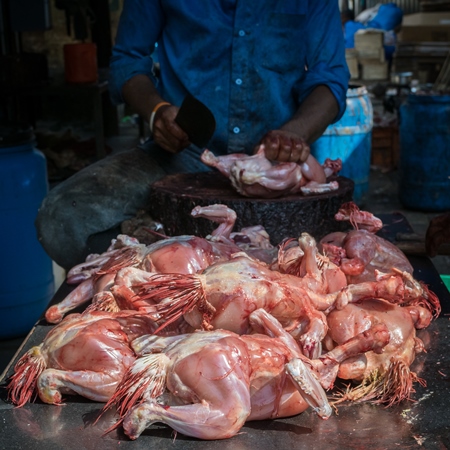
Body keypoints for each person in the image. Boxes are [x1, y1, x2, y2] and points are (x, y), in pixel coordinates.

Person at [36, 1, 349, 271]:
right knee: (61, 219)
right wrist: (157, 110)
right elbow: (128, 60)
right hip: (181, 155)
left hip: (277, 169)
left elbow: (331, 76)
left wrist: (295, 133)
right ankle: (154, 287)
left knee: (325, 250)